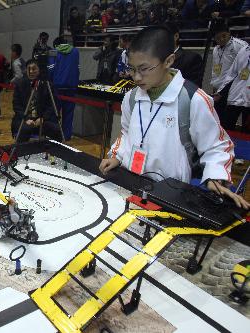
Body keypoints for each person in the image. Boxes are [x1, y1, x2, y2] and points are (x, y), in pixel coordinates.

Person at [99, 26, 248, 209]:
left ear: (168, 60)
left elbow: (217, 145)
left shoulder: (193, 99)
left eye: (144, 69)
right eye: (132, 69)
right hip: (130, 182)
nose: (136, 77)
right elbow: (127, 133)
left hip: (170, 193)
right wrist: (118, 155)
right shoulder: (131, 98)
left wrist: (215, 176)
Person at [11, 59, 62, 143]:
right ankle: (21, 152)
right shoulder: (20, 84)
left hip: (41, 119)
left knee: (56, 130)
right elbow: (16, 106)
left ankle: (55, 152)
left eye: (34, 69)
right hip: (24, 119)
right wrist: (26, 119)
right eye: (28, 69)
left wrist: (43, 118)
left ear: (39, 70)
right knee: (24, 130)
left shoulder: (47, 85)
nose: (31, 71)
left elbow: (52, 105)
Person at [210, 21, 248, 123]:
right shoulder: (215, 49)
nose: (221, 39)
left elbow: (242, 68)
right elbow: (215, 69)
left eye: (224, 36)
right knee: (217, 119)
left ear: (229, 33)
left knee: (227, 120)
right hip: (219, 89)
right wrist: (214, 85)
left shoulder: (240, 46)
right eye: (218, 38)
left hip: (232, 88)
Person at [49, 36, 80, 140]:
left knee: (55, 113)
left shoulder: (54, 52)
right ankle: (66, 136)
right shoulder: (75, 51)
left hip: (57, 87)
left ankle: (55, 135)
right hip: (72, 87)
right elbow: (78, 68)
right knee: (69, 113)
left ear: (56, 45)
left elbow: (51, 69)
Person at [214, 45, 250, 132]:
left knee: (247, 132)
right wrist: (220, 91)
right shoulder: (244, 50)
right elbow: (232, 73)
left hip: (248, 98)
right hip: (235, 95)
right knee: (226, 128)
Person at [163, 22, 203, 87]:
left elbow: (192, 89)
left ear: (176, 36)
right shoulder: (155, 59)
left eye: (164, 36)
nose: (160, 40)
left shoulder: (192, 58)